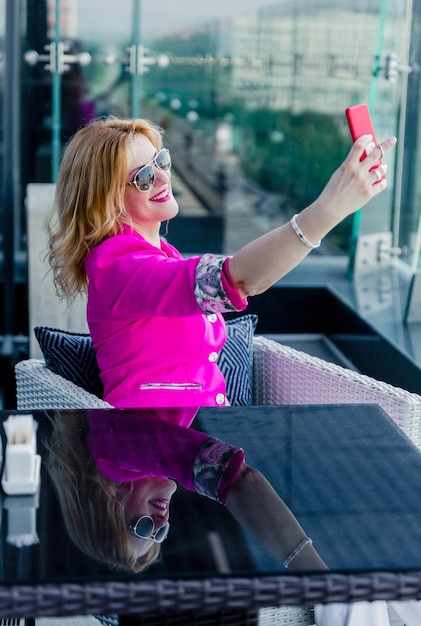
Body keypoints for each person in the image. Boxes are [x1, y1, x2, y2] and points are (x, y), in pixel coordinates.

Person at [47, 116, 396, 415]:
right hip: (151, 453)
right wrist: (330, 209)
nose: (164, 179)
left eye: (162, 162)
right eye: (143, 178)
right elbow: (236, 281)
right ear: (104, 198)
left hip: (202, 443)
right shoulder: (117, 265)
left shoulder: (159, 252)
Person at [45, 407, 327, 574]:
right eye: (160, 534)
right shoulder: (115, 447)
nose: (161, 522)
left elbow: (241, 481)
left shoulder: (114, 448)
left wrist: (320, 578)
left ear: (104, 499)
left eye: (142, 527)